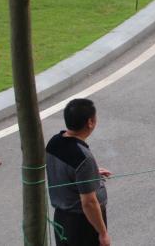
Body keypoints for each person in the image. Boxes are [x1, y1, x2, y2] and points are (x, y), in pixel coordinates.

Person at [46, 99, 112, 246]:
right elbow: (89, 203)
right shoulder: (83, 157)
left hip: (62, 218)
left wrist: (91, 173)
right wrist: (103, 233)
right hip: (83, 225)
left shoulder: (54, 143)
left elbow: (64, 170)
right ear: (90, 122)